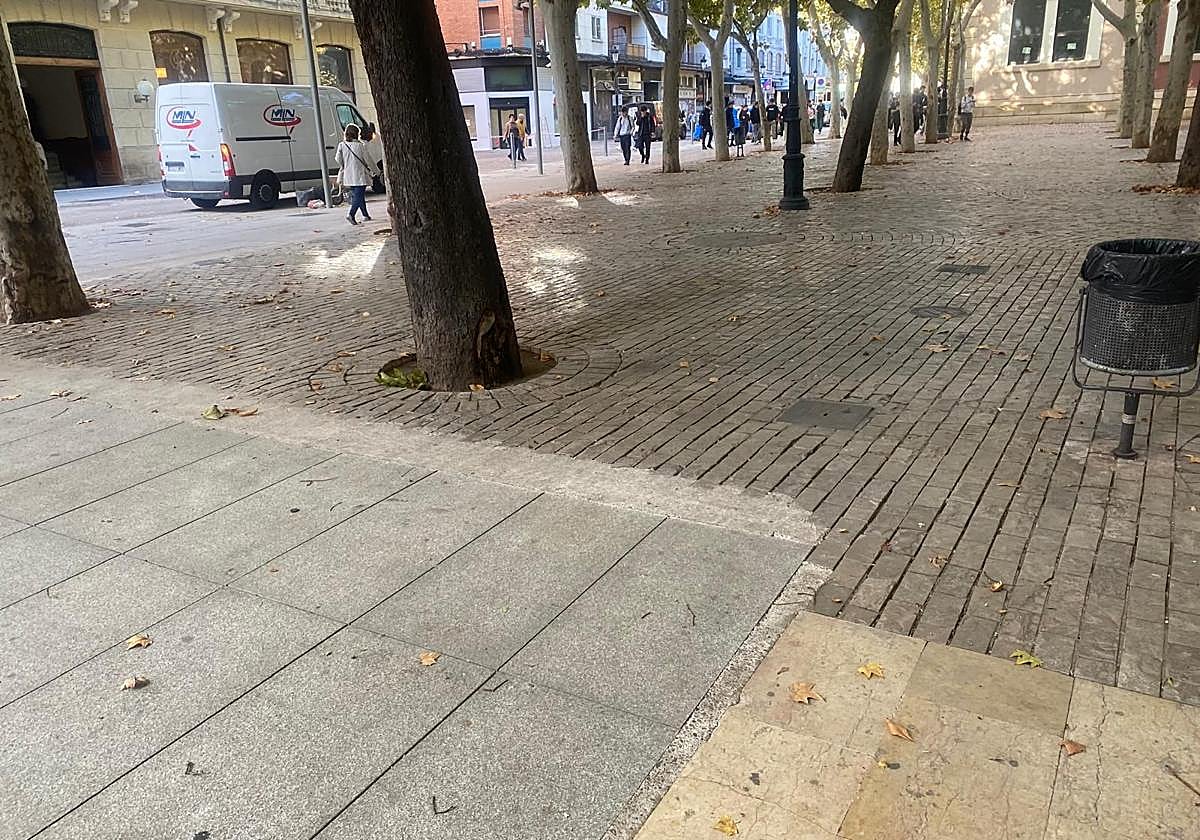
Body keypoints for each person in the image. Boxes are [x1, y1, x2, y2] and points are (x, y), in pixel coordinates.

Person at [334, 123, 376, 225]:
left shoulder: (342, 145)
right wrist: (377, 171)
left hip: (348, 175)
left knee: (358, 196)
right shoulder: (361, 146)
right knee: (358, 196)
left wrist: (345, 164)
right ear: (357, 134)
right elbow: (368, 161)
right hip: (360, 175)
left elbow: (338, 159)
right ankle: (351, 214)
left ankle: (365, 215)